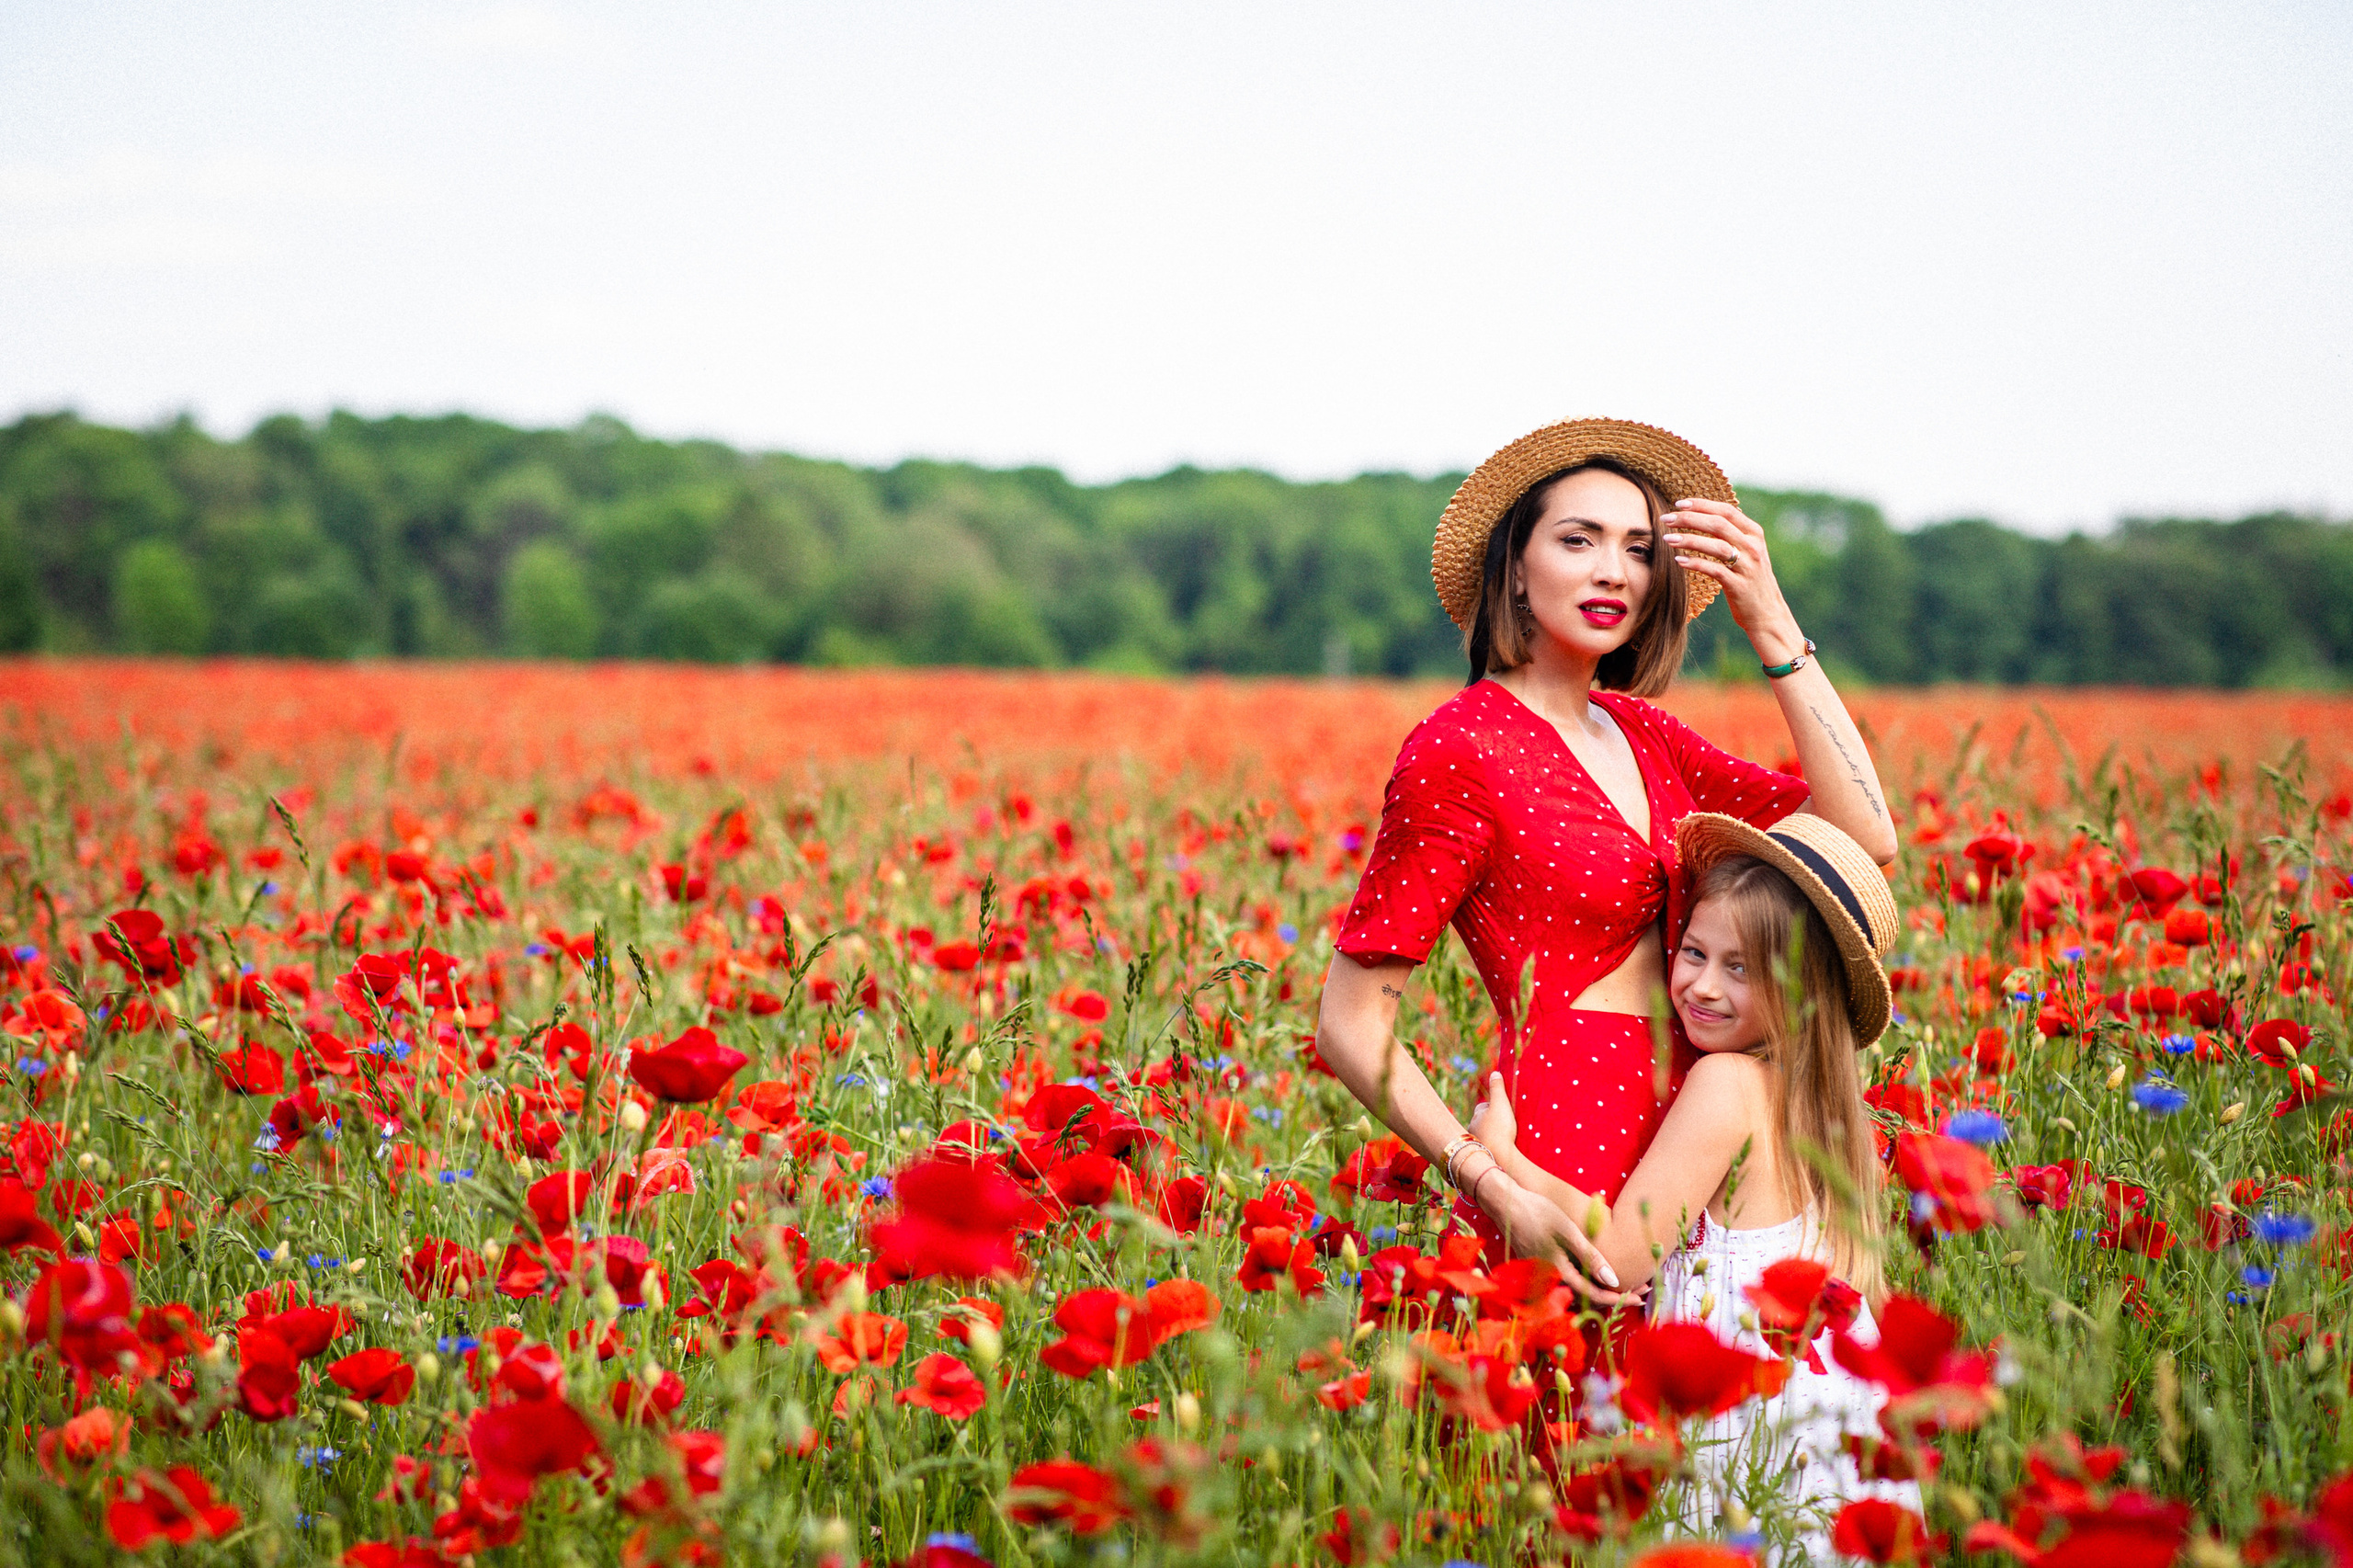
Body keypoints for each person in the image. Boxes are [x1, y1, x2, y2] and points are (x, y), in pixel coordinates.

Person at [1313, 418, 1896, 1301]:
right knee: (1571, 1425)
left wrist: (1771, 623)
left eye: (1638, 548)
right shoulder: (1460, 750)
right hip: (1562, 1135)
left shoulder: (1645, 734)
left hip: (1695, 1127)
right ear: (1514, 565)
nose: (1613, 570)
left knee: (1702, 1429)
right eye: (1577, 540)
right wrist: (1494, 1183)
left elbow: (1865, 836)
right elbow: (1350, 1025)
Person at [1470, 810, 1917, 1559]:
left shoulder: (1726, 1084)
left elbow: (1619, 1253)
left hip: (1751, 1430)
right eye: (1696, 953)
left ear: (1802, 990)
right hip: (1835, 1428)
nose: (1702, 987)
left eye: (1739, 968)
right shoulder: (1824, 1110)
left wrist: (1500, 1159)